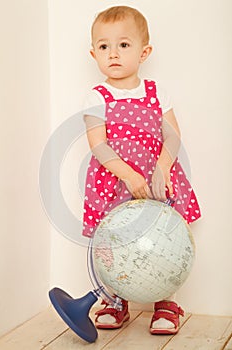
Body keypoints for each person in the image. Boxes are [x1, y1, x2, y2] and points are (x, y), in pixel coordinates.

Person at [82, 5, 201, 335]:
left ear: (144, 51)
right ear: (94, 54)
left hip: (156, 180)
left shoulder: (156, 91)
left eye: (124, 44)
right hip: (116, 181)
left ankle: (165, 301)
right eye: (104, 46)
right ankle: (117, 299)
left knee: (164, 240)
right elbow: (99, 144)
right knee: (118, 241)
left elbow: (172, 135)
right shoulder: (96, 95)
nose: (114, 53)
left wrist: (162, 169)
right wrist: (129, 176)